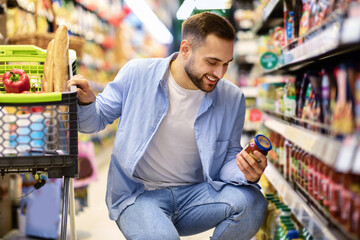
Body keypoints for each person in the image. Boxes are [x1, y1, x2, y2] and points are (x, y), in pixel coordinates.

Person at [67, 11, 268, 240]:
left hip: (196, 196)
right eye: (212, 62)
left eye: (226, 64)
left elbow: (227, 160)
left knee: (253, 203)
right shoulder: (138, 74)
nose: (220, 74)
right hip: (140, 196)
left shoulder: (232, 98)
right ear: (185, 49)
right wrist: (87, 102)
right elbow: (94, 121)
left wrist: (246, 173)